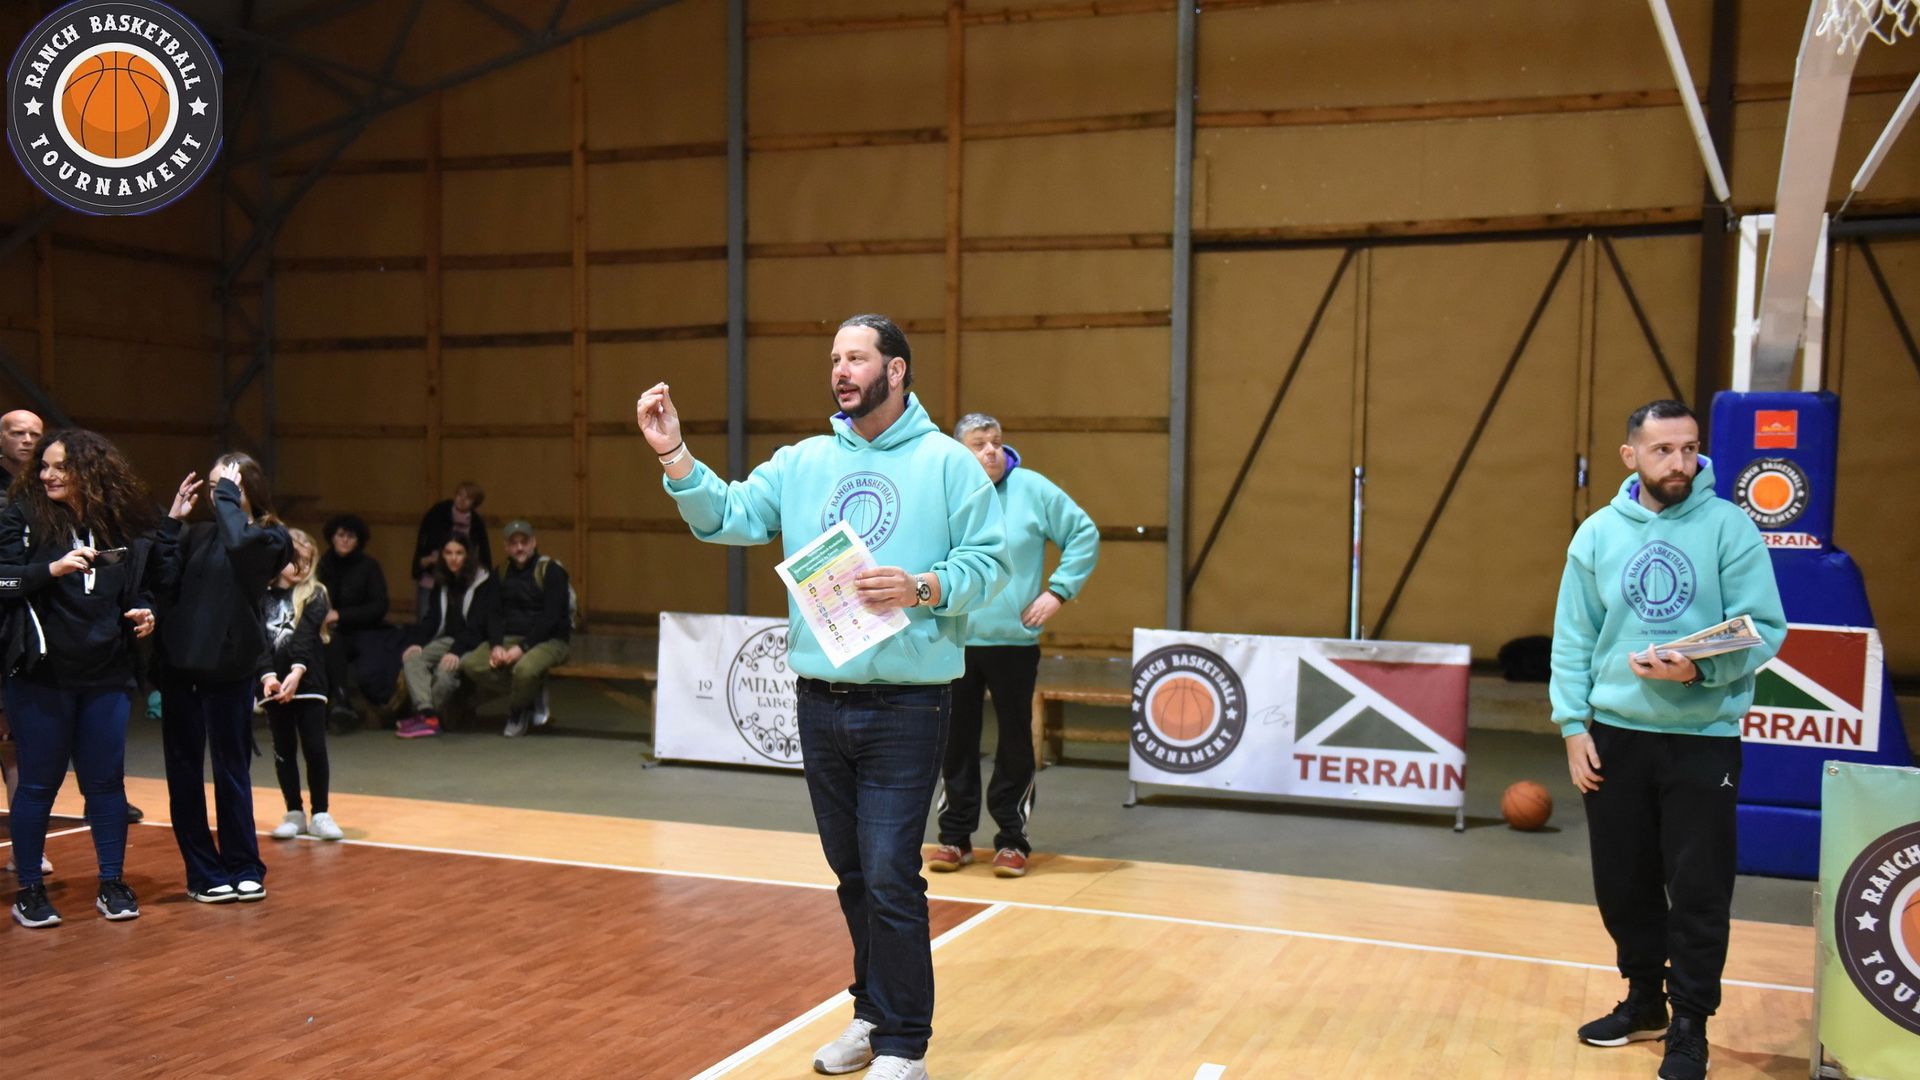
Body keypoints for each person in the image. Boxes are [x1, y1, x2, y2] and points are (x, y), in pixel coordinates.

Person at [639, 313, 1010, 1080]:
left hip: (909, 704)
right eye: (834, 358)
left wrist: (924, 586)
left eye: (857, 358)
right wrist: (675, 454)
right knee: (853, 873)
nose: (841, 370)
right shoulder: (802, 461)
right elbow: (729, 517)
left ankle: (904, 1044)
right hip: (820, 699)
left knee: (891, 871)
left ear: (896, 370)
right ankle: (872, 1014)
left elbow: (991, 565)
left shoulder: (947, 464)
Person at [1551, 400, 1787, 1080]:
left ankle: (1689, 1023)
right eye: (1663, 450)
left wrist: (1698, 669)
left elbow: (1763, 627)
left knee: (1699, 886)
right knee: (1623, 883)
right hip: (1615, 737)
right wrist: (1573, 726)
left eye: (1689, 448)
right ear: (1631, 456)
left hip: (1702, 739)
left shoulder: (1729, 527)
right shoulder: (1597, 534)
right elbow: (1573, 637)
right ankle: (1644, 1001)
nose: (1680, 462)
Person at [1, 429, 162, 928]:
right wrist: (50, 569)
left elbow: (140, 586)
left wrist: (145, 611)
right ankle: (30, 890)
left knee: (106, 784)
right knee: (37, 784)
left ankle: (112, 882)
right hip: (42, 676)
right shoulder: (20, 516)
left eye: (60, 467)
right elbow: (2, 579)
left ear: (90, 472)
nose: (47, 474)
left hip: (107, 674)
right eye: (44, 466)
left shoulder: (117, 523)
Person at [928, 413, 1099, 880]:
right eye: (979, 443)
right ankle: (954, 837)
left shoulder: (1034, 490)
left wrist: (1058, 591)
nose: (991, 451)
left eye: (997, 442)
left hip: (1013, 641)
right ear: (960, 452)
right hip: (955, 638)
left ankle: (1011, 840)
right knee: (954, 741)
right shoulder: (945, 492)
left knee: (1015, 741)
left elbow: (1083, 533)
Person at [151, 455, 291, 904]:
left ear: (251, 487)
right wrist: (172, 524)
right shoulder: (197, 534)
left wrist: (229, 500)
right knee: (185, 774)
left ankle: (244, 865)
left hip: (230, 670)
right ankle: (203, 872)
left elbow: (239, 546)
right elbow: (162, 580)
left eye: (228, 484)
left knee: (232, 772)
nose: (218, 494)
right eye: (213, 486)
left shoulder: (272, 537)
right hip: (182, 669)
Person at [260, 528, 342, 841]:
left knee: (314, 748)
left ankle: (320, 813)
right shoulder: (261, 595)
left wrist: (295, 674)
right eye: (295, 560)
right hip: (274, 686)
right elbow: (258, 642)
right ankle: (294, 812)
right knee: (283, 749)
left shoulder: (316, 593)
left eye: (308, 562)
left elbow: (305, 638)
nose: (302, 567)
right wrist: (268, 676)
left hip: (308, 683)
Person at [457, 520, 570, 738]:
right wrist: (496, 646)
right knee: (471, 664)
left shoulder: (552, 571)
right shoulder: (501, 573)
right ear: (506, 547)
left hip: (551, 640)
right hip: (511, 636)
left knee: (524, 670)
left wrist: (522, 648)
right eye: (513, 543)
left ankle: (517, 711)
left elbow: (551, 617)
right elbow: (494, 613)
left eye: (524, 542)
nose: (519, 548)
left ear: (533, 543)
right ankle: (530, 691)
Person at [0, 408, 52, 877]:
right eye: (18, 432)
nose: (27, 440)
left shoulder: (47, 489)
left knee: (19, 746)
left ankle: (25, 849)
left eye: (35, 433)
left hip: (23, 629)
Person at [397, 534, 494, 738]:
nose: (453, 558)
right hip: (448, 639)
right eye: (448, 553)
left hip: (475, 643)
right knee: (412, 658)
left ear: (468, 555)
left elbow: (478, 627)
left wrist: (455, 652)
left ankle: (427, 717)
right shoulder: (442, 580)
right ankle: (428, 714)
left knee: (444, 672)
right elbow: (432, 618)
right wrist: (418, 642)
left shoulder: (484, 581)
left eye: (459, 553)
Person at [317, 513, 390, 728]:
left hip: (363, 630)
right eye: (340, 535)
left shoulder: (369, 566)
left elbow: (379, 606)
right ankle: (328, 704)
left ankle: (342, 700)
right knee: (325, 642)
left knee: (336, 644)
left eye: (351, 536)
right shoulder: (322, 564)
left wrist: (341, 615)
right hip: (327, 630)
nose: (345, 540)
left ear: (359, 540)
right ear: (332, 537)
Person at [411, 481, 490, 615]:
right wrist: (425, 561)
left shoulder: (476, 522)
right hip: (432, 575)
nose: (461, 500)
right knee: (426, 615)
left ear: (475, 503)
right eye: (459, 495)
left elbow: (483, 553)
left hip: (460, 580)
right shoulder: (438, 512)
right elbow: (423, 541)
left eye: (468, 498)